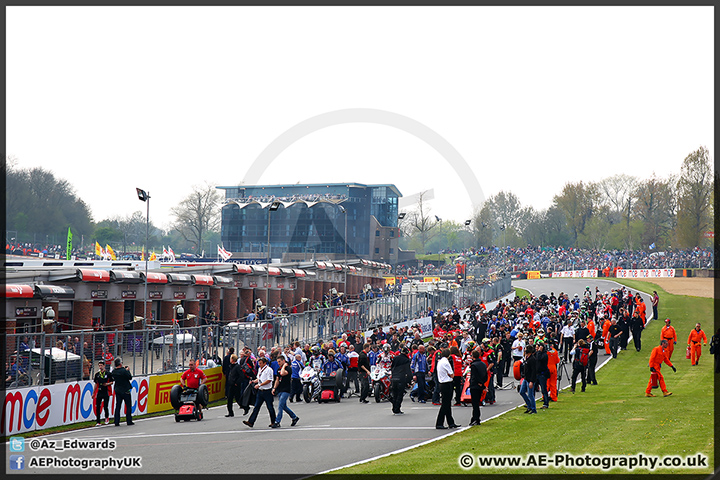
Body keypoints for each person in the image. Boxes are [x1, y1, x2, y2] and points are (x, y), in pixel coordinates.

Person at [243, 357, 277, 428]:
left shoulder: (269, 370)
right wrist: (255, 381)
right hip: (260, 391)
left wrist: (260, 385)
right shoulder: (260, 369)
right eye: (259, 363)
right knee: (256, 407)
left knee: (270, 407)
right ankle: (251, 421)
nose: (259, 364)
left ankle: (274, 422)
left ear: (265, 363)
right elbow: (259, 378)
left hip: (267, 391)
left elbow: (269, 380)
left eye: (261, 363)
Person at [270, 355, 299, 428]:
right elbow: (277, 379)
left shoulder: (288, 368)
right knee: (284, 406)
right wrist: (274, 388)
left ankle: (277, 421)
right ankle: (294, 417)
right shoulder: (278, 369)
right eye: (277, 362)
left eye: (279, 361)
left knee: (280, 406)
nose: (278, 363)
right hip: (280, 389)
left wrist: (284, 366)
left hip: (286, 389)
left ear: (283, 361)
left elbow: (283, 373)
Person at [435, 349, 460, 429]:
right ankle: (439, 423)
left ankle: (451, 422)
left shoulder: (440, 362)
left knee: (447, 404)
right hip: (447, 383)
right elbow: (452, 374)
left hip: (442, 383)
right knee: (445, 404)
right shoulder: (446, 362)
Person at [468, 349, 487, 426]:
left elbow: (474, 377)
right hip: (480, 385)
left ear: (473, 357)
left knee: (475, 404)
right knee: (477, 402)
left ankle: (476, 419)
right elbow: (485, 375)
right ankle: (475, 418)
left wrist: (476, 383)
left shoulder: (473, 365)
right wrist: (482, 384)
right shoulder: (483, 364)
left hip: (475, 386)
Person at [112, 357, 134, 426]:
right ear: (120, 363)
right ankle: (129, 420)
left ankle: (116, 421)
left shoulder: (114, 371)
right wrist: (127, 370)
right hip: (125, 390)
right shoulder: (124, 371)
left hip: (118, 390)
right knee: (128, 405)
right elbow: (129, 377)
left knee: (118, 405)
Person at [390, 347, 412, 415]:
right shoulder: (406, 360)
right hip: (401, 378)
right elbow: (408, 371)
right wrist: (409, 380)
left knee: (395, 394)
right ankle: (397, 409)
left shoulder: (395, 358)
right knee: (400, 394)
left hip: (394, 378)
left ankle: (394, 408)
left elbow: (392, 367)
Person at [92, 360, 113, 426]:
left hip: (106, 391)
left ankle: (107, 417)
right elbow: (96, 383)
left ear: (104, 366)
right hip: (99, 391)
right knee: (98, 406)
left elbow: (112, 382)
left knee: (105, 406)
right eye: (99, 365)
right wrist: (93, 392)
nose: (100, 367)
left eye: (101, 365)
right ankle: (98, 421)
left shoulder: (108, 373)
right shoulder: (97, 374)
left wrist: (107, 384)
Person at [519, 345, 537, 414]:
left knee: (530, 394)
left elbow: (533, 371)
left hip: (530, 379)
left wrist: (531, 381)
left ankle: (533, 409)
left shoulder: (532, 359)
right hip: (526, 378)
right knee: (522, 391)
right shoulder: (527, 358)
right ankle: (529, 405)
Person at [534, 341, 550, 409]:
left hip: (542, 374)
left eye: (538, 348)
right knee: (532, 389)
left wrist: (540, 351)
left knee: (544, 389)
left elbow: (539, 358)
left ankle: (546, 403)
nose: (536, 349)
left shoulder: (544, 355)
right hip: (536, 374)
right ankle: (531, 402)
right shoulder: (537, 353)